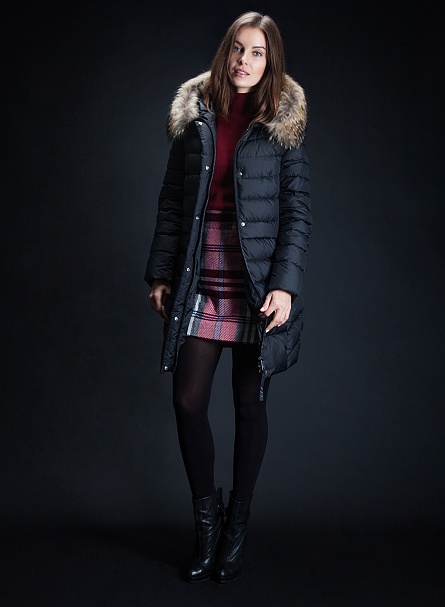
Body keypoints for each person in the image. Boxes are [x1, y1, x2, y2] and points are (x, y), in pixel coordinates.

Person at [145, 11, 311, 583]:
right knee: (188, 400)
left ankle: (236, 526)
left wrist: (285, 284)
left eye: (257, 52)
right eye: (238, 49)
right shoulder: (195, 116)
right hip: (200, 267)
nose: (245, 60)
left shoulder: (283, 124)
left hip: (257, 276)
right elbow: (173, 201)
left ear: (270, 61)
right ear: (226, 52)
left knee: (248, 404)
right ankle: (207, 527)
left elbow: (297, 212)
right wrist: (161, 273)